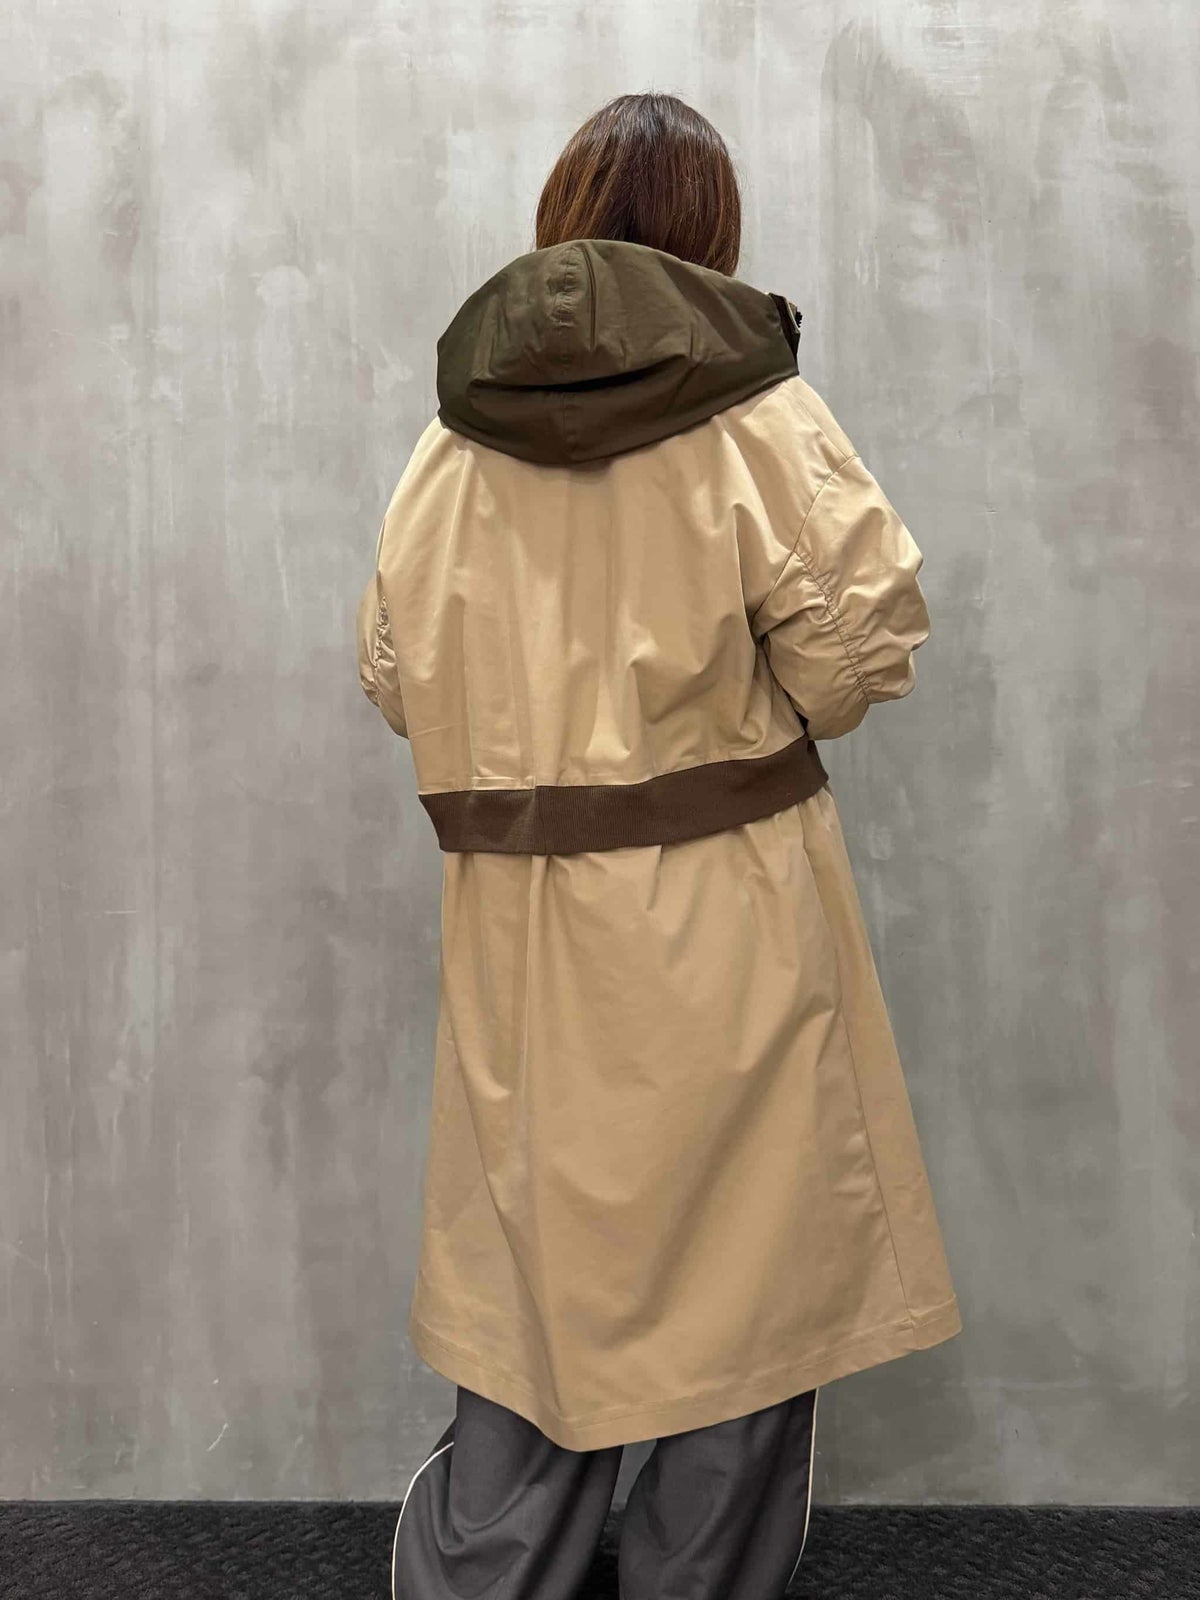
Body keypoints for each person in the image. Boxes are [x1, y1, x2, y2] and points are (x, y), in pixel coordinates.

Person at [357, 91, 961, 1600]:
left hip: (521, 929)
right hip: (723, 909)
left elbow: (394, 671)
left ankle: (485, 1579)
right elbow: (858, 657)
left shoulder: (456, 433)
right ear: (710, 234)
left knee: (532, 1293)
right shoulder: (758, 412)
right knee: (743, 1291)